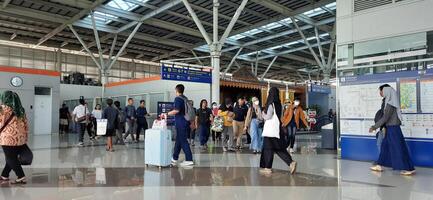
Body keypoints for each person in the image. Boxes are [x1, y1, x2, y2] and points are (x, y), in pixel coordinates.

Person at [369, 86, 415, 176]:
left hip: (393, 129)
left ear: (387, 92)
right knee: (384, 147)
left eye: (381, 91)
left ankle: (409, 168)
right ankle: (379, 165)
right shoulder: (390, 102)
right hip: (391, 128)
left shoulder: (390, 104)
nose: (380, 93)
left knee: (399, 148)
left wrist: (374, 127)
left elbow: (385, 118)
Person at [260, 87, 297, 175]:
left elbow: (268, 117)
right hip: (276, 129)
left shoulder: (270, 104)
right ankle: (291, 162)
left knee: (268, 148)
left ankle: (267, 168)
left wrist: (262, 114)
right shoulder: (279, 104)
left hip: (270, 131)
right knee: (278, 148)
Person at [0, 91, 29, 184]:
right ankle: (4, 175)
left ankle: (21, 176)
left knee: (10, 158)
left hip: (8, 138)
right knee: (12, 157)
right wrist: (25, 137)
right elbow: (26, 125)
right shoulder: (21, 109)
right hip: (20, 138)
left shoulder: (3, 109)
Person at [168, 84, 194, 166]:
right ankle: (174, 158)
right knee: (178, 141)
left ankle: (189, 160)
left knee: (183, 141)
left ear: (176, 90)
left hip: (181, 123)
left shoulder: (178, 99)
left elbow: (176, 110)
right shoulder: (185, 98)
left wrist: (167, 113)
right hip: (185, 122)